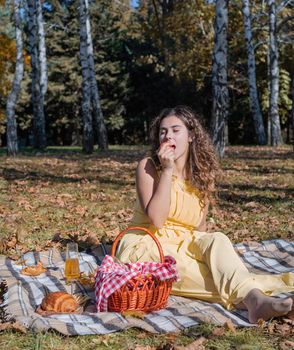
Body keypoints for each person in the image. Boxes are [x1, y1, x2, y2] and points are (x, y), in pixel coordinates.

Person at [116, 105, 294, 323]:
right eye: (163, 131)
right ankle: (256, 300)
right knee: (207, 276)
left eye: (175, 130)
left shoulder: (202, 175)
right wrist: (168, 170)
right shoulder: (149, 167)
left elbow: (200, 230)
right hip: (147, 244)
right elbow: (157, 219)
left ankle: (256, 301)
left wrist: (214, 256)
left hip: (184, 243)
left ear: (191, 136)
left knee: (218, 242)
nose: (168, 135)